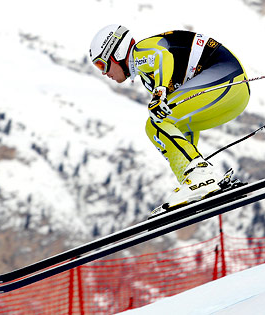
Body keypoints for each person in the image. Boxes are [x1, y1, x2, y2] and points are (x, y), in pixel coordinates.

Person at [89, 24, 250, 213]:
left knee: (155, 122)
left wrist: (159, 93)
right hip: (236, 95)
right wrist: (192, 164)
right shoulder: (149, 77)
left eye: (102, 64)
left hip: (225, 77)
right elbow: (182, 124)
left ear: (116, 53)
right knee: (168, 121)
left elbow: (162, 56)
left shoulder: (140, 52)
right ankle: (196, 180)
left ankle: (200, 177)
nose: (103, 72)